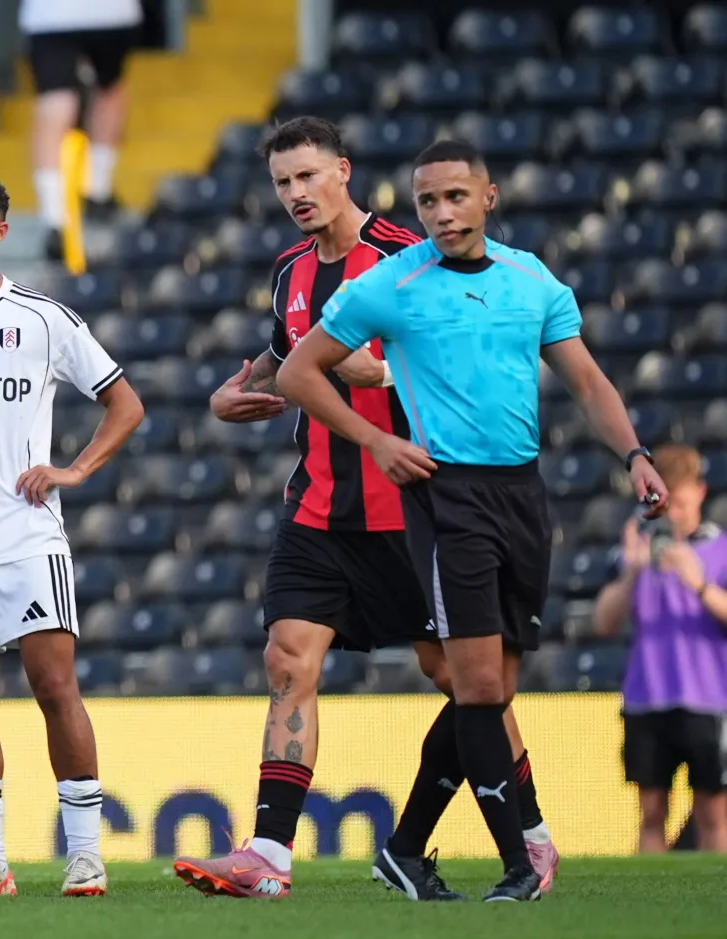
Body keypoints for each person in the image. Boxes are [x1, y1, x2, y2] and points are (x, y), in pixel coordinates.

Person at [275, 138, 669, 901]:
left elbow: (587, 380)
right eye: (427, 201)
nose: (442, 213)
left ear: (488, 195)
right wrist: (378, 438)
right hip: (444, 496)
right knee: (478, 684)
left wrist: (635, 455)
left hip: (522, 495)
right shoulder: (394, 281)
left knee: (490, 690)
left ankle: (405, 846)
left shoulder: (531, 279)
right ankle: (521, 865)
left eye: (456, 197)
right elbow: (299, 369)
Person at [175, 117, 558, 902]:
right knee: (288, 657)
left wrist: (365, 368)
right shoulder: (289, 271)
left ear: (343, 171)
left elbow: (421, 360)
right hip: (317, 508)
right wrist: (238, 386)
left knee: (461, 678)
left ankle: (529, 831)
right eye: (283, 182)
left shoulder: (403, 259)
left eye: (309, 177)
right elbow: (288, 351)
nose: (295, 195)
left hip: (412, 508)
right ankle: (269, 855)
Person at [0, 170, 143, 899]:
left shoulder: (43, 318)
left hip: (24, 536)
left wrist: (74, 469)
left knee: (54, 685)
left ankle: (85, 854)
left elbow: (124, 404)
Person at [594, 443, 727, 853]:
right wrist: (633, 572)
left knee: (713, 813)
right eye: (668, 504)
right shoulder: (640, 554)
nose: (675, 514)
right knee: (651, 812)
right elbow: (603, 622)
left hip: (709, 700)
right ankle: (648, 903)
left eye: (682, 503)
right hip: (646, 697)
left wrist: (698, 582)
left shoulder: (719, 551)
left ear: (700, 494)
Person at [19, 0, 141, 258]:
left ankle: (91, 195)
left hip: (105, 15)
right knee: (62, 104)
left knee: (104, 92)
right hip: (57, 16)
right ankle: (59, 217)